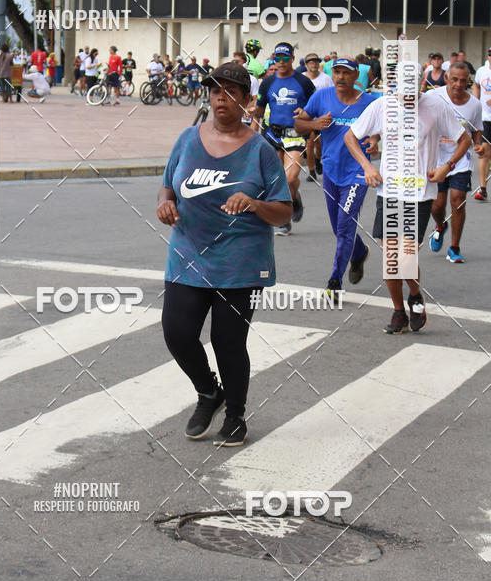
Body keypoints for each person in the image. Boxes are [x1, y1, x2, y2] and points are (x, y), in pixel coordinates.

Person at [157, 62, 292, 446]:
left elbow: (284, 211)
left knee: (228, 341)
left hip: (241, 262)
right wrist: (165, 203)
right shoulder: (187, 139)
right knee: (177, 333)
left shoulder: (261, 150)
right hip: (187, 253)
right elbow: (168, 186)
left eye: (231, 91)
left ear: (247, 100)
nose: (222, 97)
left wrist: (254, 203)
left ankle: (235, 415)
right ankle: (208, 391)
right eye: (216, 90)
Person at [345, 83, 470, 334]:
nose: (408, 98)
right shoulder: (382, 105)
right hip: (389, 192)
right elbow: (351, 137)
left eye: (413, 92)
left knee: (406, 257)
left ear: (420, 85)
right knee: (391, 259)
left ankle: (414, 294)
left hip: (420, 194)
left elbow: (464, 139)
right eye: (403, 92)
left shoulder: (436, 106)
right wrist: (367, 167)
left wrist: (447, 166)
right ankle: (398, 312)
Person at [296, 58, 378, 300]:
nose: (341, 77)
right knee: (338, 228)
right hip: (331, 171)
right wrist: (314, 123)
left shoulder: (369, 103)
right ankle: (359, 252)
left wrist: (374, 140)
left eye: (346, 73)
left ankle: (334, 281)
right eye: (337, 72)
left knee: (344, 226)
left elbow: (380, 129)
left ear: (356, 76)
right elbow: (299, 124)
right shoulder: (321, 97)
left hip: (357, 173)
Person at [252, 41, 315, 233]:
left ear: (292, 59)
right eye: (277, 58)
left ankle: (292, 203)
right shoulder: (267, 83)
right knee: (276, 181)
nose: (280, 61)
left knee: (289, 178)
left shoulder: (303, 82)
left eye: (285, 58)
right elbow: (258, 112)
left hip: (295, 135)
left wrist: (305, 113)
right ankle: (286, 215)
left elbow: (316, 108)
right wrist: (251, 133)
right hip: (272, 135)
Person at [427, 62, 485, 262]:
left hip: (460, 159)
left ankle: (454, 247)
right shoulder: (433, 97)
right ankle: (440, 225)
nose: (458, 84)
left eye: (463, 80)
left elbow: (476, 130)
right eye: (454, 79)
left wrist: (478, 144)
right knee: (437, 206)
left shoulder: (475, 105)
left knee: (458, 201)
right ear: (446, 78)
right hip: (436, 159)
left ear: (468, 81)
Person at [301, 53, 333, 181]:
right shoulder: (301, 78)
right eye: (311, 62)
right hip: (306, 116)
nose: (314, 64)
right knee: (309, 143)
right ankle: (311, 171)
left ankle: (318, 160)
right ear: (306, 65)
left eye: (316, 62)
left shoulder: (326, 79)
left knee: (319, 145)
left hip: (321, 116)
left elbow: (332, 95)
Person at [472, 47, 491, 201]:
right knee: (484, 151)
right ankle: (483, 188)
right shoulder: (481, 71)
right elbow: (476, 85)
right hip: (485, 118)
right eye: (490, 54)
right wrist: (476, 100)